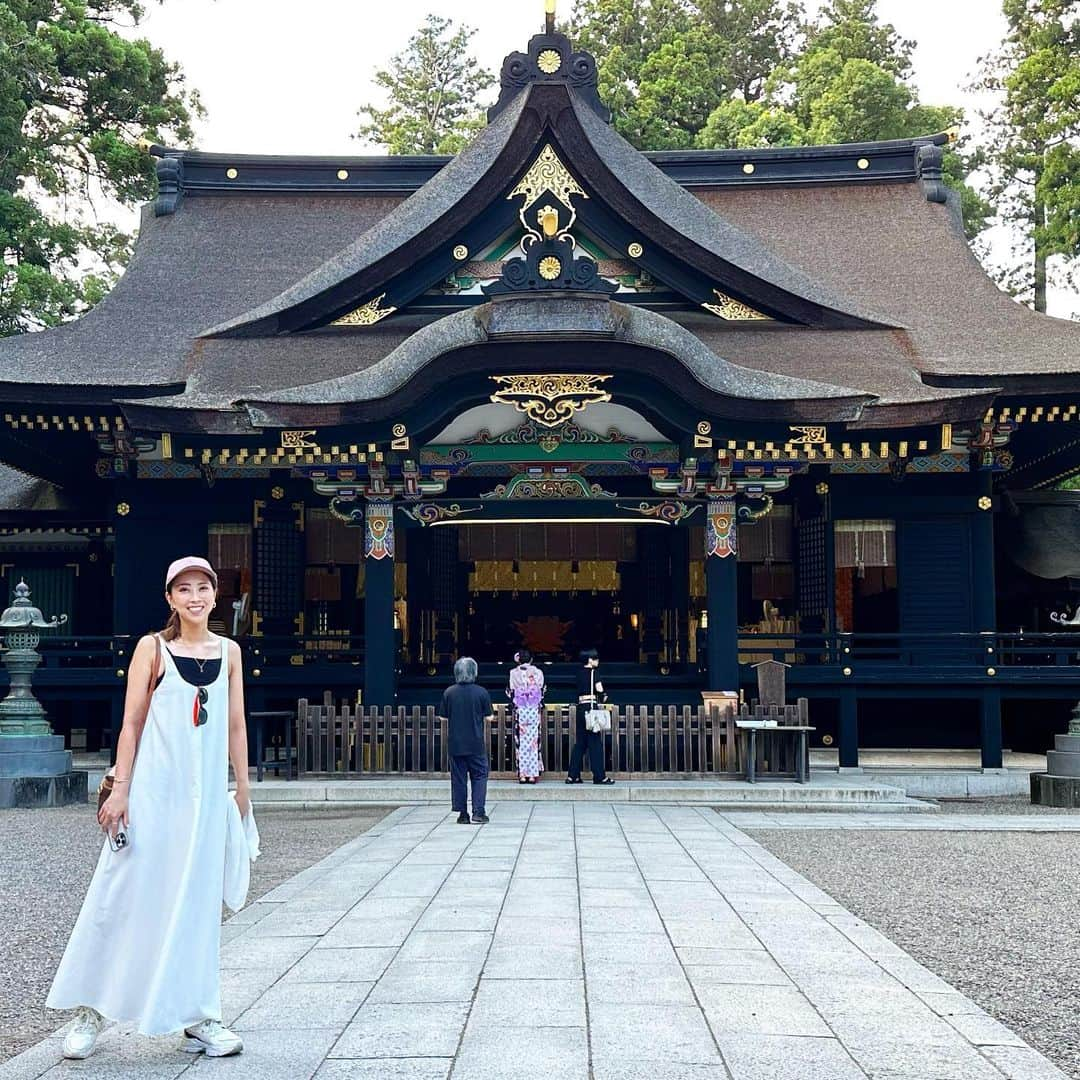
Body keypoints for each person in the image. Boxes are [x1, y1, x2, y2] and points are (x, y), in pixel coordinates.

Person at [47, 556, 252, 1060]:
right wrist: (119, 786)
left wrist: (244, 788)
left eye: (203, 587)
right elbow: (132, 723)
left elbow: (235, 725)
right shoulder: (153, 649)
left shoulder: (229, 652)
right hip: (153, 793)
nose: (196, 597)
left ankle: (200, 1015)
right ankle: (90, 1011)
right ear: (170, 599)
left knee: (196, 905)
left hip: (204, 801)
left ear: (214, 595)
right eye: (184, 589)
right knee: (122, 892)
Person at [439, 657, 493, 823]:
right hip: (475, 741)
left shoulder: (449, 692)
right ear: (474, 672)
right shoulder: (481, 692)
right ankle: (479, 811)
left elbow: (443, 717)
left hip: (455, 742)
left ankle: (462, 814)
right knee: (479, 775)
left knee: (459, 778)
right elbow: (489, 717)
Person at [566, 648, 614, 785]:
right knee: (595, 744)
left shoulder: (578, 674)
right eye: (595, 658)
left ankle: (572, 775)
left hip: (581, 708)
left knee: (580, 743)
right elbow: (599, 690)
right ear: (590, 660)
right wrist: (604, 695)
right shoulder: (594, 673)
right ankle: (599, 776)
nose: (597, 661)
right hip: (591, 709)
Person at [507, 649, 545, 784]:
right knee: (534, 742)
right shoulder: (538, 672)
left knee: (522, 743)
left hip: (520, 709)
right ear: (531, 659)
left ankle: (522, 774)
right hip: (534, 708)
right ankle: (533, 774)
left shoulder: (514, 673)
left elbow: (511, 691)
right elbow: (541, 689)